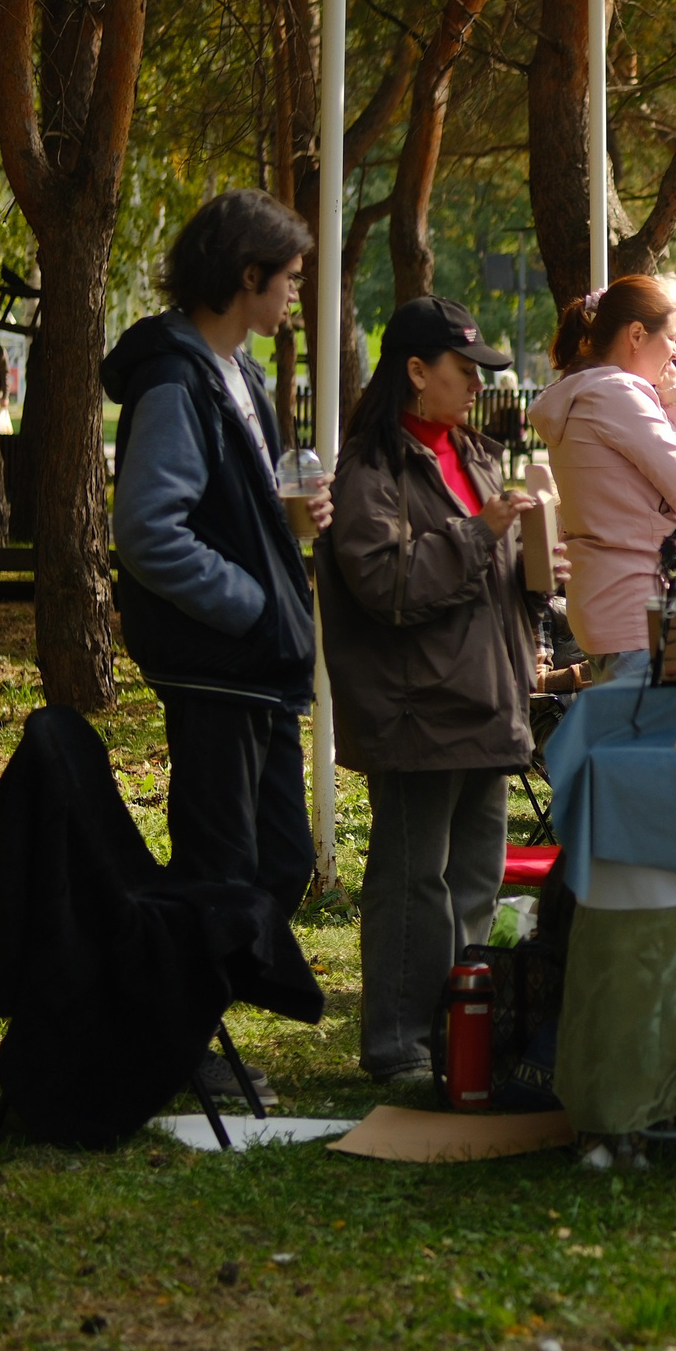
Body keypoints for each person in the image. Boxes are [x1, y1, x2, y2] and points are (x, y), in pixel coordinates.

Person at [102, 188, 327, 1108]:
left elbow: (221, 506)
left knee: (277, 861)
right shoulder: (173, 379)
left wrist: (282, 520)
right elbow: (150, 532)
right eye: (289, 281)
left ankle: (183, 1026)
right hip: (217, 668)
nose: (295, 300)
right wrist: (250, 605)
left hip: (255, 671)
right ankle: (178, 1051)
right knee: (217, 869)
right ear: (247, 278)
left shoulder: (236, 373)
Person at [319, 296, 548, 1086]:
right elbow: (385, 582)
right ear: (417, 372)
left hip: (486, 699)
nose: (477, 386)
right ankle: (398, 1044)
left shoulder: (472, 450)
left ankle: (464, 1034)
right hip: (417, 707)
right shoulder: (372, 467)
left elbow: (492, 574)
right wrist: (483, 531)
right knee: (415, 879)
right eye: (463, 372)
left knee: (477, 877)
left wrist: (541, 571)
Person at [527, 275, 676, 675]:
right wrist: (674, 400)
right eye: (671, 337)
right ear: (635, 334)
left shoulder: (582, 391)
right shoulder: (618, 394)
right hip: (638, 606)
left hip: (606, 602)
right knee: (648, 734)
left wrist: (669, 402)